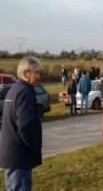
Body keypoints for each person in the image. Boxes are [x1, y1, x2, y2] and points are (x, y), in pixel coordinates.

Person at [0, 57, 43, 191]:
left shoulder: (13, 90)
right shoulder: (25, 93)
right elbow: (25, 127)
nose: (39, 76)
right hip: (19, 156)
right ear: (26, 74)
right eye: (36, 73)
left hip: (11, 155)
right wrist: (33, 147)